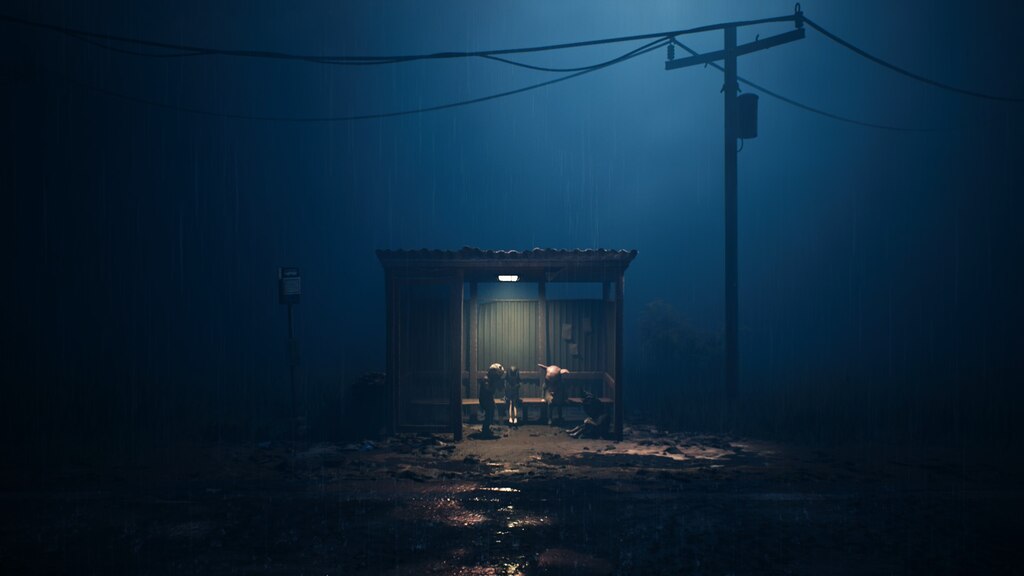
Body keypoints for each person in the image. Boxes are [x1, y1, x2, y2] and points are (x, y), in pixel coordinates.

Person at [480, 363, 504, 436]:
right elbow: (488, 389)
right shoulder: (486, 379)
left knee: (491, 413)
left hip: (489, 399)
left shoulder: (491, 379)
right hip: (485, 399)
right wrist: (495, 385)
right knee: (489, 414)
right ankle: (485, 430)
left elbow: (500, 389)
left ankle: (487, 429)